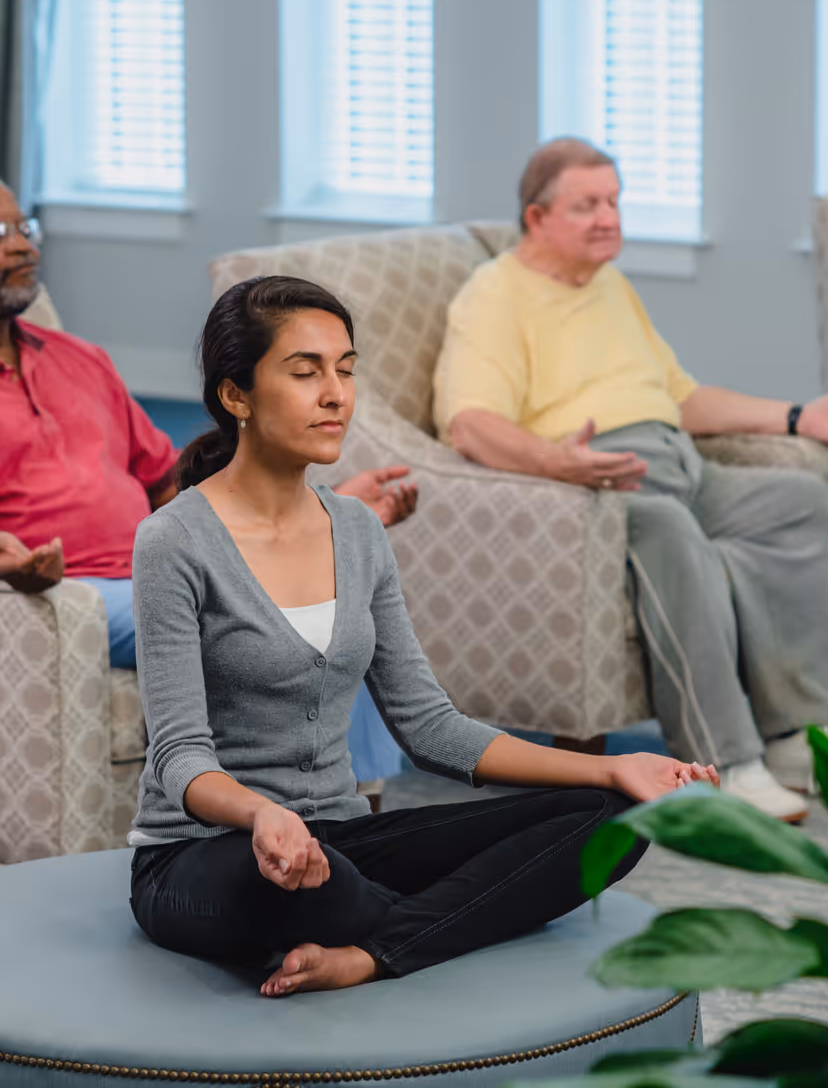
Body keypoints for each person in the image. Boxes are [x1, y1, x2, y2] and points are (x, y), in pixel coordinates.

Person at [128, 275, 716, 994]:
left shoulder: (358, 530)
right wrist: (262, 813)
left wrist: (614, 769)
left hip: (342, 841)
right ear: (236, 395)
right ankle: (432, 922)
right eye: (305, 371)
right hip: (209, 858)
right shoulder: (172, 542)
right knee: (306, 885)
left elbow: (430, 725)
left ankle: (370, 952)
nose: (335, 394)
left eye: (345, 369)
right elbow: (179, 757)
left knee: (615, 820)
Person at [0, 163, 418, 787]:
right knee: (279, 618)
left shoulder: (77, 358)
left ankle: (355, 815)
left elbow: (166, 482)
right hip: (75, 590)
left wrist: (313, 509)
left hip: (162, 562)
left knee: (331, 596)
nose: (23, 246)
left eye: (24, 228)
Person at [432, 138, 828, 823]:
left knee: (798, 501)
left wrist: (798, 417)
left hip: (680, 463)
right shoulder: (495, 295)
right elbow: (468, 423)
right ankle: (722, 762)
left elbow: (682, 397)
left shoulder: (609, 283)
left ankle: (803, 736)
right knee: (669, 528)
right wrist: (561, 462)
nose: (608, 218)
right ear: (537, 218)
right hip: (598, 481)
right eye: (586, 205)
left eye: (613, 201)